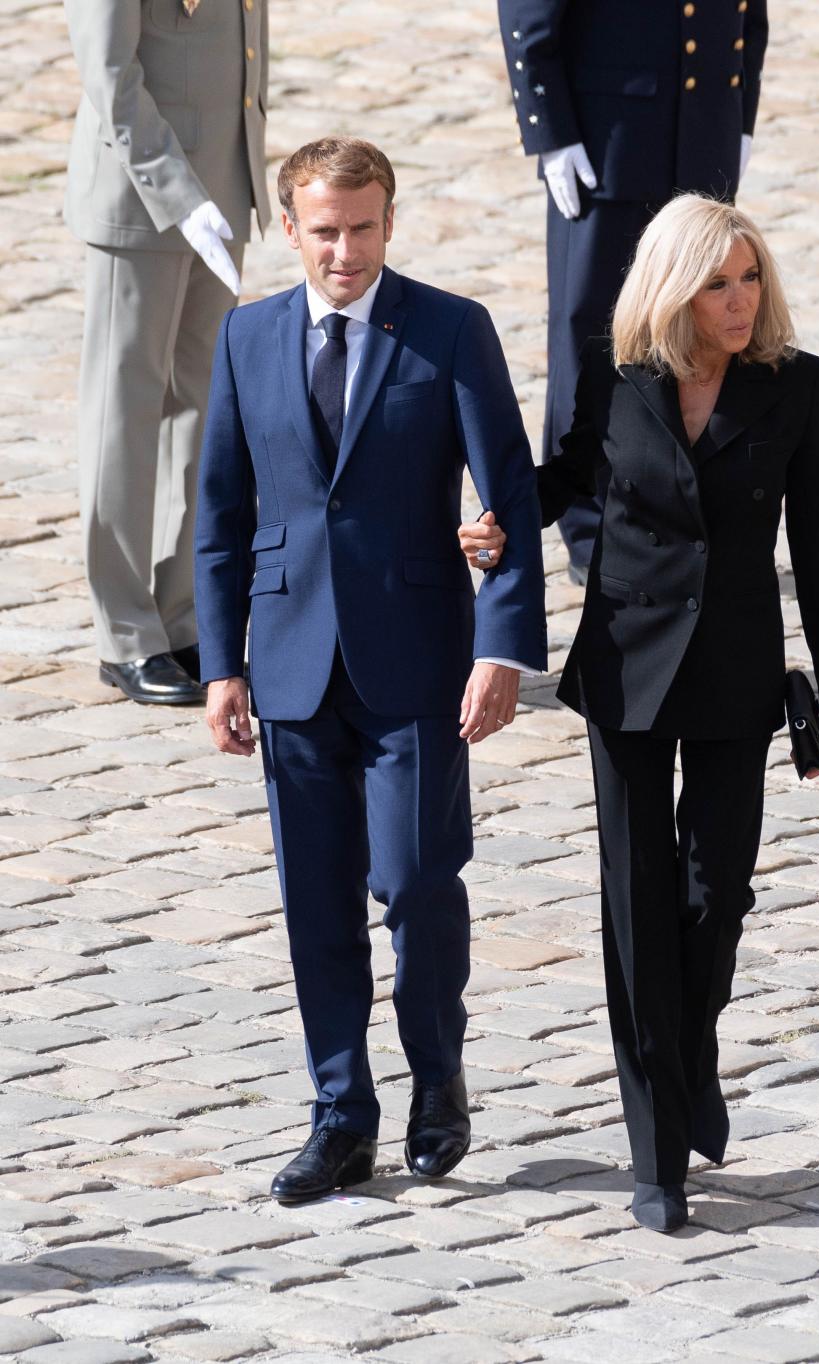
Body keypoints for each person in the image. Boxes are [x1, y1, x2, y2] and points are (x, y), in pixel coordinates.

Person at [459, 195, 819, 1232]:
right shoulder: (619, 379)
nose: (740, 300)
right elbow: (567, 477)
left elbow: (816, 537)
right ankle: (657, 1152)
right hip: (626, 668)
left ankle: (693, 1051)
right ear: (674, 288)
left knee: (714, 893)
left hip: (735, 669)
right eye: (718, 282)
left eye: (751, 277)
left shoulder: (795, 385)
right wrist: (494, 524)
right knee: (636, 904)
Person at [194, 137, 547, 1205]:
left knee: (418, 881)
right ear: (290, 228)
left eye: (361, 227)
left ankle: (437, 1073)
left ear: (390, 223)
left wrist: (501, 646)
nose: (343, 250)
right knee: (315, 903)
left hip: (419, 661)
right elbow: (220, 514)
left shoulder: (448, 329)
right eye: (323, 229)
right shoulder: (247, 336)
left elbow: (510, 500)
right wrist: (222, 664)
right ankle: (340, 1113)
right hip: (292, 664)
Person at [497, 0, 768, 582]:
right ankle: (590, 519)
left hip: (704, 123)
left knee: (702, 321)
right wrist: (550, 127)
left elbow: (749, 14)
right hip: (608, 136)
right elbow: (528, 14)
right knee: (595, 326)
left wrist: (739, 108)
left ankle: (679, 509)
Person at [64, 0, 270, 704]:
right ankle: (125, 635)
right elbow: (109, 70)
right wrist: (177, 192)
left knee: (204, 405)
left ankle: (182, 615)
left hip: (221, 189)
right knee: (123, 412)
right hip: (143, 192)